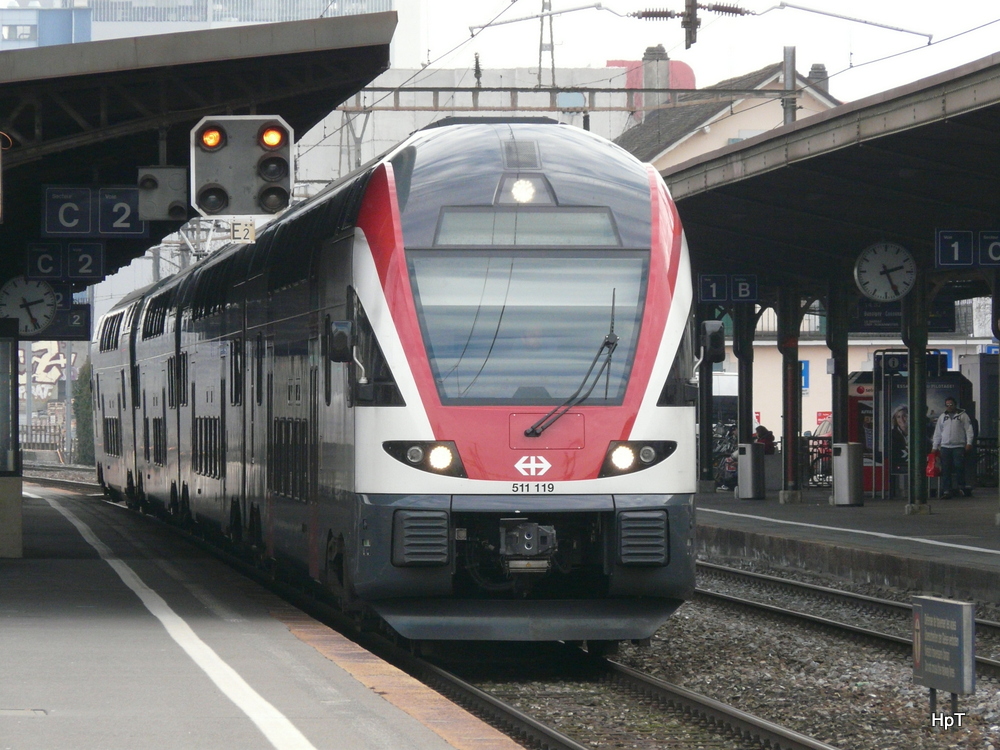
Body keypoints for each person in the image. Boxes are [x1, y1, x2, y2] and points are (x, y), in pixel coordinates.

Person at [931, 397, 975, 498]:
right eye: (947, 405)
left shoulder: (963, 416)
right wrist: (935, 446)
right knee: (945, 469)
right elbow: (938, 433)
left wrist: (969, 443)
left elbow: (969, 430)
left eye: (951, 404)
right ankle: (947, 490)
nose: (949, 407)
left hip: (958, 445)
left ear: (955, 405)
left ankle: (961, 487)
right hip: (945, 446)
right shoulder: (942, 417)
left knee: (959, 466)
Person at [888, 405, 908, 473]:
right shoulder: (891, 435)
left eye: (904, 416)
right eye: (898, 417)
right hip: (897, 468)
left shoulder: (919, 433)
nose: (901, 419)